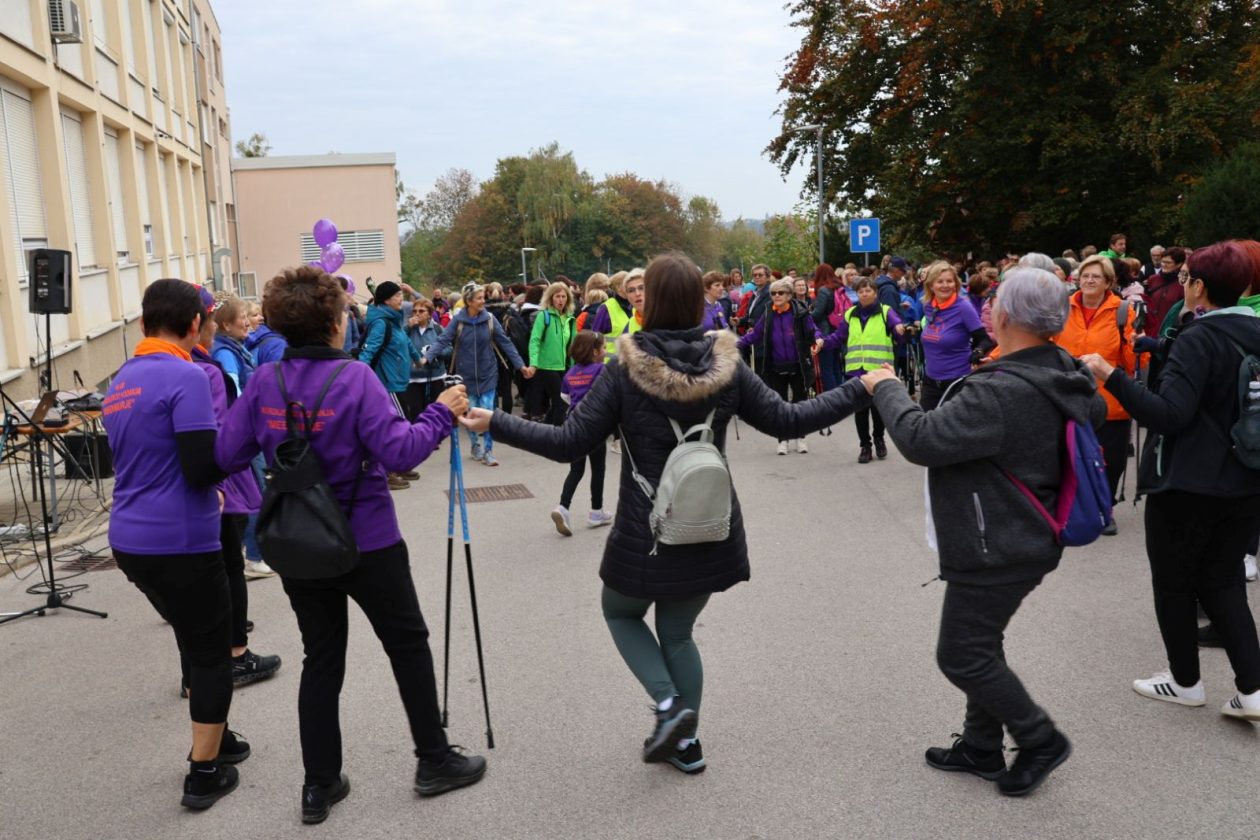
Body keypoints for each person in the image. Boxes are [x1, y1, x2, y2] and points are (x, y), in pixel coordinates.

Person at [460, 251, 871, 775]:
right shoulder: (728, 365)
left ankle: (669, 704)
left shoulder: (624, 369)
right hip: (709, 523)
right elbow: (789, 420)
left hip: (646, 530)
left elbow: (569, 443)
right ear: (700, 301)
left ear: (647, 301)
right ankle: (687, 742)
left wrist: (495, 420)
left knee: (620, 611)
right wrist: (862, 387)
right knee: (678, 632)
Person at [216, 266, 486, 824]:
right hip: (368, 540)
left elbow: (226, 454)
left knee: (322, 660)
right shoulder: (357, 379)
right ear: (337, 322)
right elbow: (401, 453)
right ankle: (433, 760)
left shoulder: (265, 380)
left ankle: (319, 784)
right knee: (407, 647)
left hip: (298, 542)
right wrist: (443, 411)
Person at [863, 267, 1106, 798]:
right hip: (1021, 534)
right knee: (981, 642)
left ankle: (1040, 739)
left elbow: (922, 438)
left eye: (995, 301)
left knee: (962, 653)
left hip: (999, 542)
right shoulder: (1061, 370)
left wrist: (886, 387)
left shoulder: (1001, 391)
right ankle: (980, 745)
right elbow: (1094, 405)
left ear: (1005, 317)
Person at [1081, 241, 1260, 722]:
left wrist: (1110, 376)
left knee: (1174, 584)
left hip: (1188, 483)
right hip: (1246, 478)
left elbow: (1170, 415)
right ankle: (1253, 689)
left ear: (1198, 286)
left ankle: (1185, 682)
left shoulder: (1199, 338)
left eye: (1186, 279)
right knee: (1224, 582)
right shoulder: (1254, 329)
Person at [103, 279, 248, 810]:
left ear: (143, 325)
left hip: (129, 540)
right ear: (194, 326)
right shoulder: (186, 375)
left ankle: (219, 736)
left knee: (193, 637)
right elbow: (199, 465)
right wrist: (241, 445)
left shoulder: (121, 381)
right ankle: (203, 774)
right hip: (181, 539)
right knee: (212, 655)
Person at [1051, 254, 1137, 533]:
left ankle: (1105, 507)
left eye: (1095, 276)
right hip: (1068, 398)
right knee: (1068, 456)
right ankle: (1071, 505)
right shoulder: (1062, 309)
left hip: (1111, 399)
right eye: (1084, 275)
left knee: (1110, 460)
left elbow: (1134, 362)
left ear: (1108, 282)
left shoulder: (1123, 311)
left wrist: (1134, 344)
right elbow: (1043, 344)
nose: (1088, 280)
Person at [423, 282, 533, 467]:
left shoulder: (489, 319)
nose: (484, 301)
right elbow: (443, 340)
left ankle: (489, 451)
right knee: (472, 413)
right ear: (469, 301)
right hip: (466, 376)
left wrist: (521, 365)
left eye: (483, 297)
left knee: (488, 412)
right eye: (480, 298)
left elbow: (505, 343)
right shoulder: (458, 321)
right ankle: (475, 447)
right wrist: (427, 357)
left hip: (488, 373)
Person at [817, 276, 906, 462]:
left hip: (879, 370)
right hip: (856, 370)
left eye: (868, 290)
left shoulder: (885, 312)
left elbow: (896, 325)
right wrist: (823, 343)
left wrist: (899, 329)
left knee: (878, 408)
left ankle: (879, 438)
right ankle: (865, 446)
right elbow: (838, 337)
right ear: (857, 294)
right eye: (861, 291)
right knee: (860, 410)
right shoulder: (850, 314)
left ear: (875, 293)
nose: (864, 294)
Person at [738, 278, 824, 455]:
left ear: (789, 295)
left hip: (798, 364)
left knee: (800, 403)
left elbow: (813, 329)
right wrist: (735, 344)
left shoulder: (800, 312)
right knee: (780, 404)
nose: (776, 296)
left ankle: (801, 437)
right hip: (776, 365)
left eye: (780, 293)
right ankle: (782, 439)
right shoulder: (769, 312)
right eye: (773, 293)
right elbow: (755, 334)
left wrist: (818, 337)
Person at [359, 281, 423, 490]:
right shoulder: (381, 323)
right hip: (387, 383)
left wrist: (417, 358)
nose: (401, 299)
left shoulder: (394, 320)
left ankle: (399, 464)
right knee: (397, 427)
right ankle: (387, 472)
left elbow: (405, 340)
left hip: (400, 380)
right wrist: (357, 377)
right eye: (397, 295)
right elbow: (368, 352)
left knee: (403, 425)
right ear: (386, 300)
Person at [550, 330, 614, 535]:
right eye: (603, 348)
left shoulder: (570, 373)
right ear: (595, 352)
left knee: (576, 470)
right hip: (595, 426)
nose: (605, 351)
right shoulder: (601, 370)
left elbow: (565, 397)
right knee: (598, 468)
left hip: (574, 425)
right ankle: (596, 511)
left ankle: (563, 507)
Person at [918, 261, 995, 410]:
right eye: (940, 281)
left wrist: (978, 351)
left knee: (951, 431)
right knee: (926, 429)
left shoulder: (963, 307)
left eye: (949, 281)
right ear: (931, 285)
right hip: (930, 380)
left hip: (956, 380)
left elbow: (984, 339)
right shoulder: (928, 305)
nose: (945, 285)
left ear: (956, 284)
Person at [528, 281, 576, 425]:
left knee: (558, 403)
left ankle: (545, 432)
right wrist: (533, 363)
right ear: (550, 298)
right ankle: (558, 435)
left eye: (563, 296)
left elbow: (573, 345)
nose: (561, 300)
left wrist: (575, 366)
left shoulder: (570, 318)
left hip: (565, 366)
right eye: (557, 296)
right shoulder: (544, 316)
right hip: (547, 367)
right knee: (561, 402)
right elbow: (534, 340)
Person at [402, 297, 450, 422]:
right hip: (413, 378)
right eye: (415, 311)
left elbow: (449, 349)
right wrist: (407, 327)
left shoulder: (438, 329)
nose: (417, 314)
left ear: (429, 314)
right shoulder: (407, 329)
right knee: (416, 415)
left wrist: (433, 354)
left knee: (434, 415)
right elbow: (397, 343)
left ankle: (434, 441)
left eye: (421, 311)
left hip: (435, 377)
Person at [589, 268, 646, 362]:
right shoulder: (606, 308)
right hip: (609, 366)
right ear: (619, 287)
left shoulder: (634, 307)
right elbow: (595, 337)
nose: (637, 293)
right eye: (630, 288)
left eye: (641, 288)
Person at [809, 263, 848, 392]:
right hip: (838, 330)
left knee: (826, 368)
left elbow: (819, 313)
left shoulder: (823, 290)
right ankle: (840, 395)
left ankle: (832, 398)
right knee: (836, 366)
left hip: (825, 332)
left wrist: (807, 316)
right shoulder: (838, 287)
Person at [211, 296, 257, 394]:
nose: (248, 323)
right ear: (227, 325)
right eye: (243, 318)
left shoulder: (236, 348)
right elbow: (234, 396)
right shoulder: (225, 355)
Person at [1144, 246, 1186, 338]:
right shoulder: (1152, 279)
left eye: (1168, 262)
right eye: (1162, 261)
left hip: (1170, 333)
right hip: (1150, 332)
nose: (1163, 264)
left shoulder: (1183, 284)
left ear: (1179, 264)